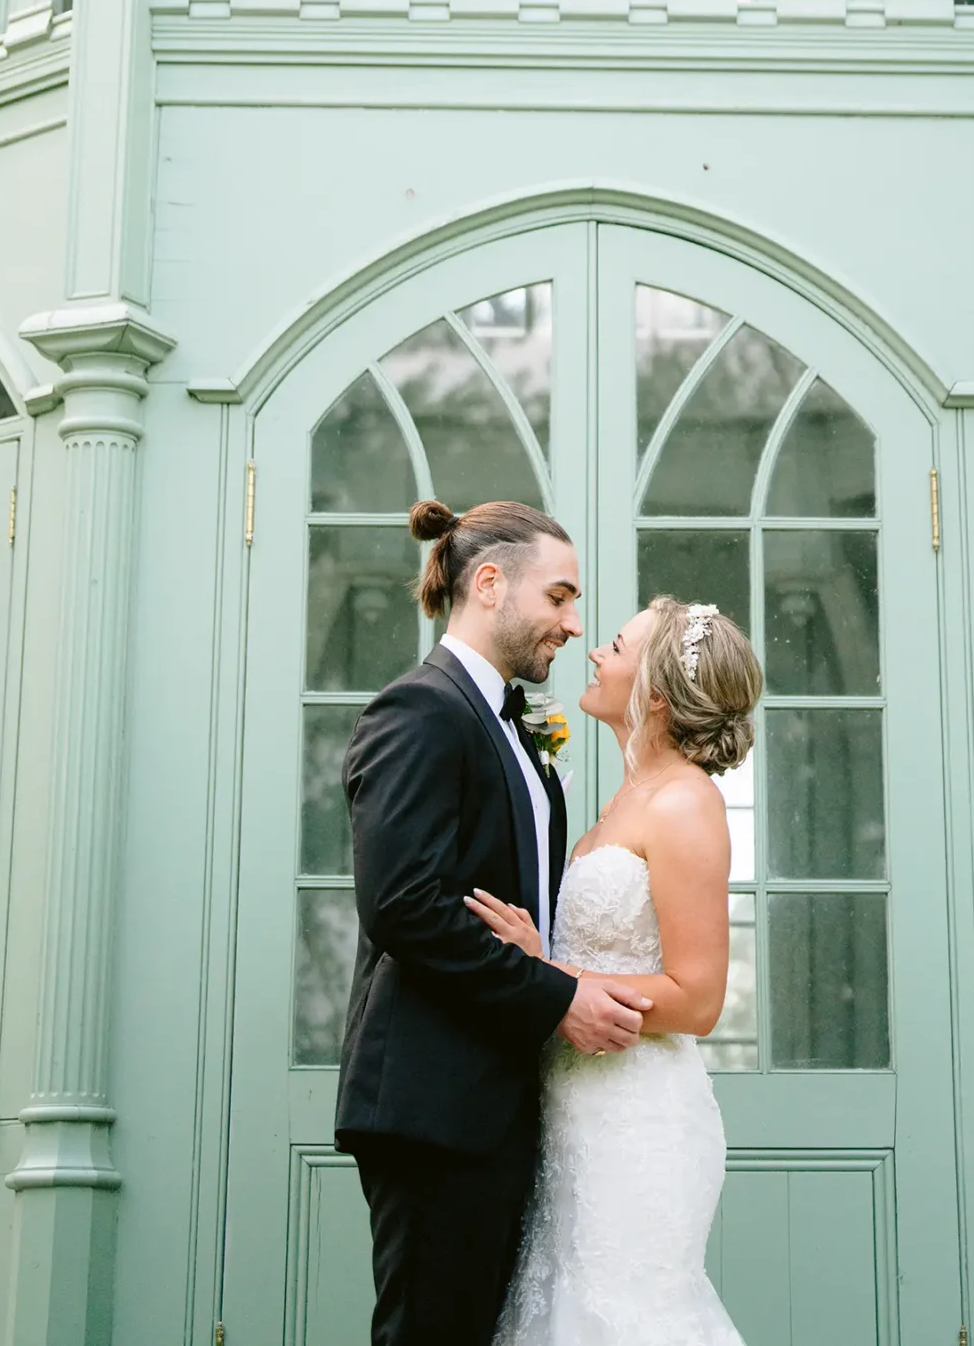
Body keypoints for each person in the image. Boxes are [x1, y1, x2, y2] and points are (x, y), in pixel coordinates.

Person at [336, 497, 654, 1346]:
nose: (571, 621)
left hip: (498, 1101)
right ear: (487, 584)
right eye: (557, 597)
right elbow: (403, 906)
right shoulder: (419, 711)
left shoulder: (507, 723)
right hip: (435, 1102)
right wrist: (556, 998)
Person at [470, 592, 763, 1346]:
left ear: (656, 694)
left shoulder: (683, 804)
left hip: (639, 1122)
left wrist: (550, 975)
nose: (593, 652)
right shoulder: (620, 798)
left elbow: (696, 1001)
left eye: (615, 646)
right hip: (574, 1110)